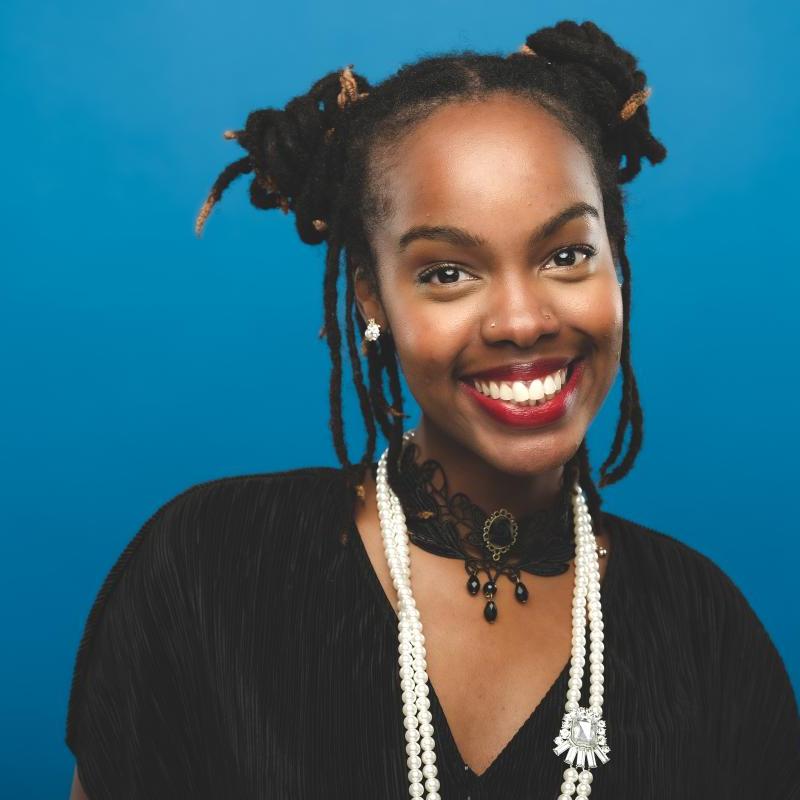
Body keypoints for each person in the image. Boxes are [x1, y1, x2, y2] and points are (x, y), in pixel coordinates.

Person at [65, 19, 800, 800]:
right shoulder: (206, 572)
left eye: (565, 255)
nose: (521, 321)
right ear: (371, 296)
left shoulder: (709, 635)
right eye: (447, 272)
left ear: (616, 263)